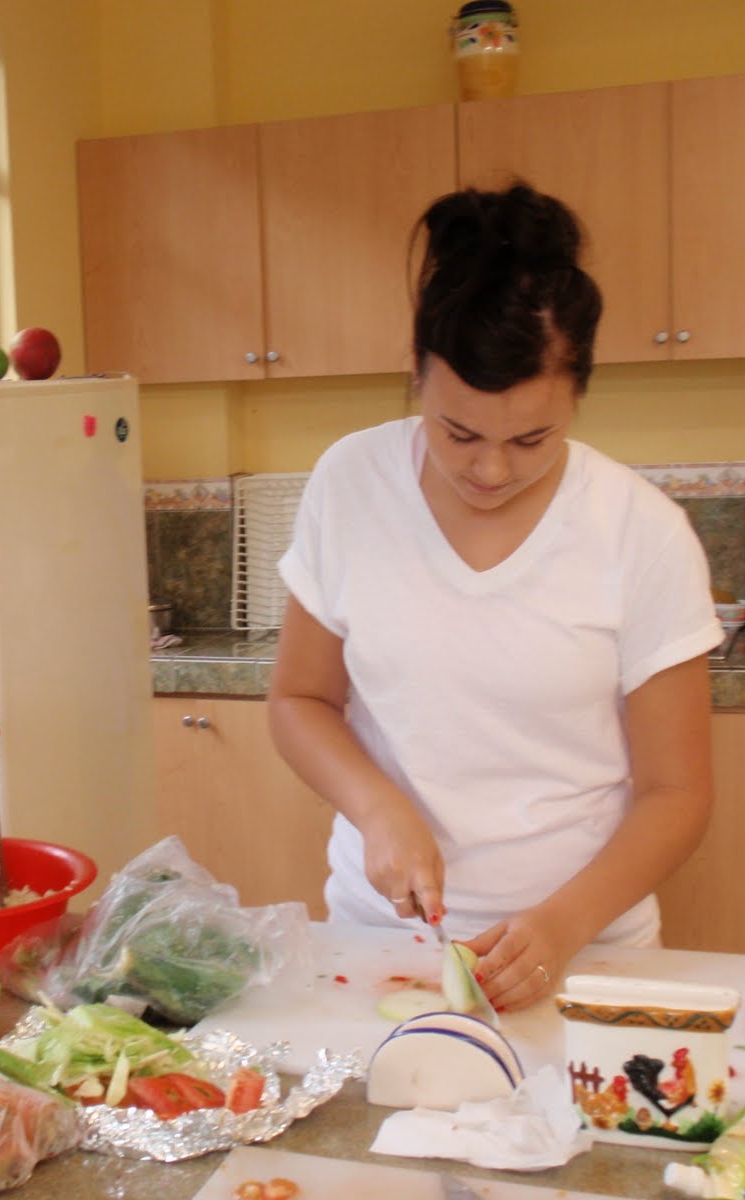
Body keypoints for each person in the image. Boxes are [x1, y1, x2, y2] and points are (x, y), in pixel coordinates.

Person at [267, 183, 720, 1014]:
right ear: (416, 376)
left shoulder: (640, 530)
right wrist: (377, 807)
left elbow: (677, 793)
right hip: (380, 945)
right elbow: (300, 699)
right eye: (458, 432)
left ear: (579, 393)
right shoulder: (351, 482)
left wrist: (558, 926)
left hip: (584, 955)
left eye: (531, 439)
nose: (491, 471)